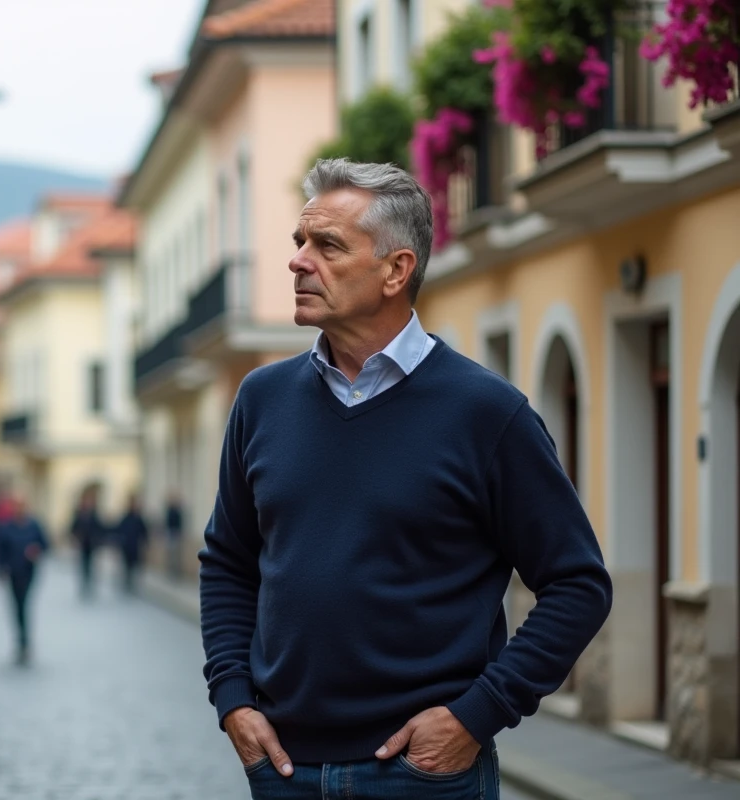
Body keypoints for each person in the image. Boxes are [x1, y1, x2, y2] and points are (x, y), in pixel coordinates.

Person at [198, 158, 613, 799]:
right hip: (284, 771)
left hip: (423, 776)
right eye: (299, 242)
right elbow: (228, 560)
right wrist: (232, 699)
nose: (298, 261)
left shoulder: (487, 413)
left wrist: (477, 714)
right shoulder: (261, 399)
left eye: (327, 245)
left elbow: (578, 584)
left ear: (396, 270)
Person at [0, 494, 49, 665]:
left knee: (23, 604)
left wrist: (37, 551)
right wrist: (1, 569)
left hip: (29, 572)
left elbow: (45, 544)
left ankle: (24, 641)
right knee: (17, 607)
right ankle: (22, 640)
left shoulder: (34, 525)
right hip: (12, 573)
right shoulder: (6, 527)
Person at [70, 485, 105, 599]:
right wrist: (75, 538)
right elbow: (73, 527)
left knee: (91, 566)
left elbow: (99, 528)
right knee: (83, 566)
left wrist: (98, 540)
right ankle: (84, 586)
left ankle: (90, 586)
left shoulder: (94, 514)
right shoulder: (79, 513)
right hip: (82, 544)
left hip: (92, 544)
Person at [114, 493, 149, 594]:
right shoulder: (125, 517)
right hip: (126, 546)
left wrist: (146, 542)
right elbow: (119, 530)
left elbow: (144, 531)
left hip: (135, 546)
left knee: (135, 566)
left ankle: (133, 584)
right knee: (126, 566)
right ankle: (127, 583)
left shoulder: (138, 518)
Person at [164, 491, 184, 578]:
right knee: (171, 552)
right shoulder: (169, 511)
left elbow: (180, 522)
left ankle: (176, 570)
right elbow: (167, 522)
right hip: (170, 532)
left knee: (176, 553)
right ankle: (171, 569)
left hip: (176, 533)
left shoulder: (177, 511)